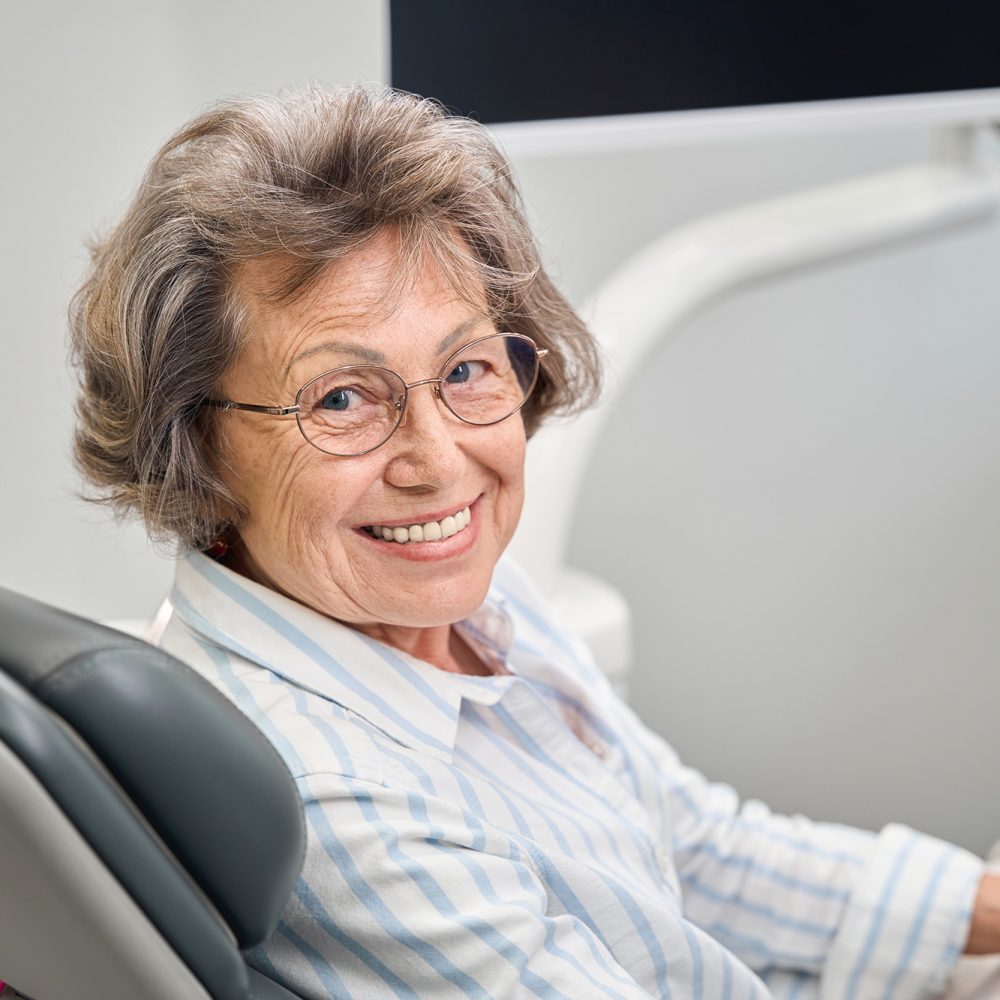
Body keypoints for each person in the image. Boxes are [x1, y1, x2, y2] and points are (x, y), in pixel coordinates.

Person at [70, 84, 1000, 999]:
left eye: (468, 369)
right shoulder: (337, 803)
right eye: (342, 399)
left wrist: (985, 906)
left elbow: (691, 845)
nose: (438, 462)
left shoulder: (447, 598)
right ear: (193, 442)